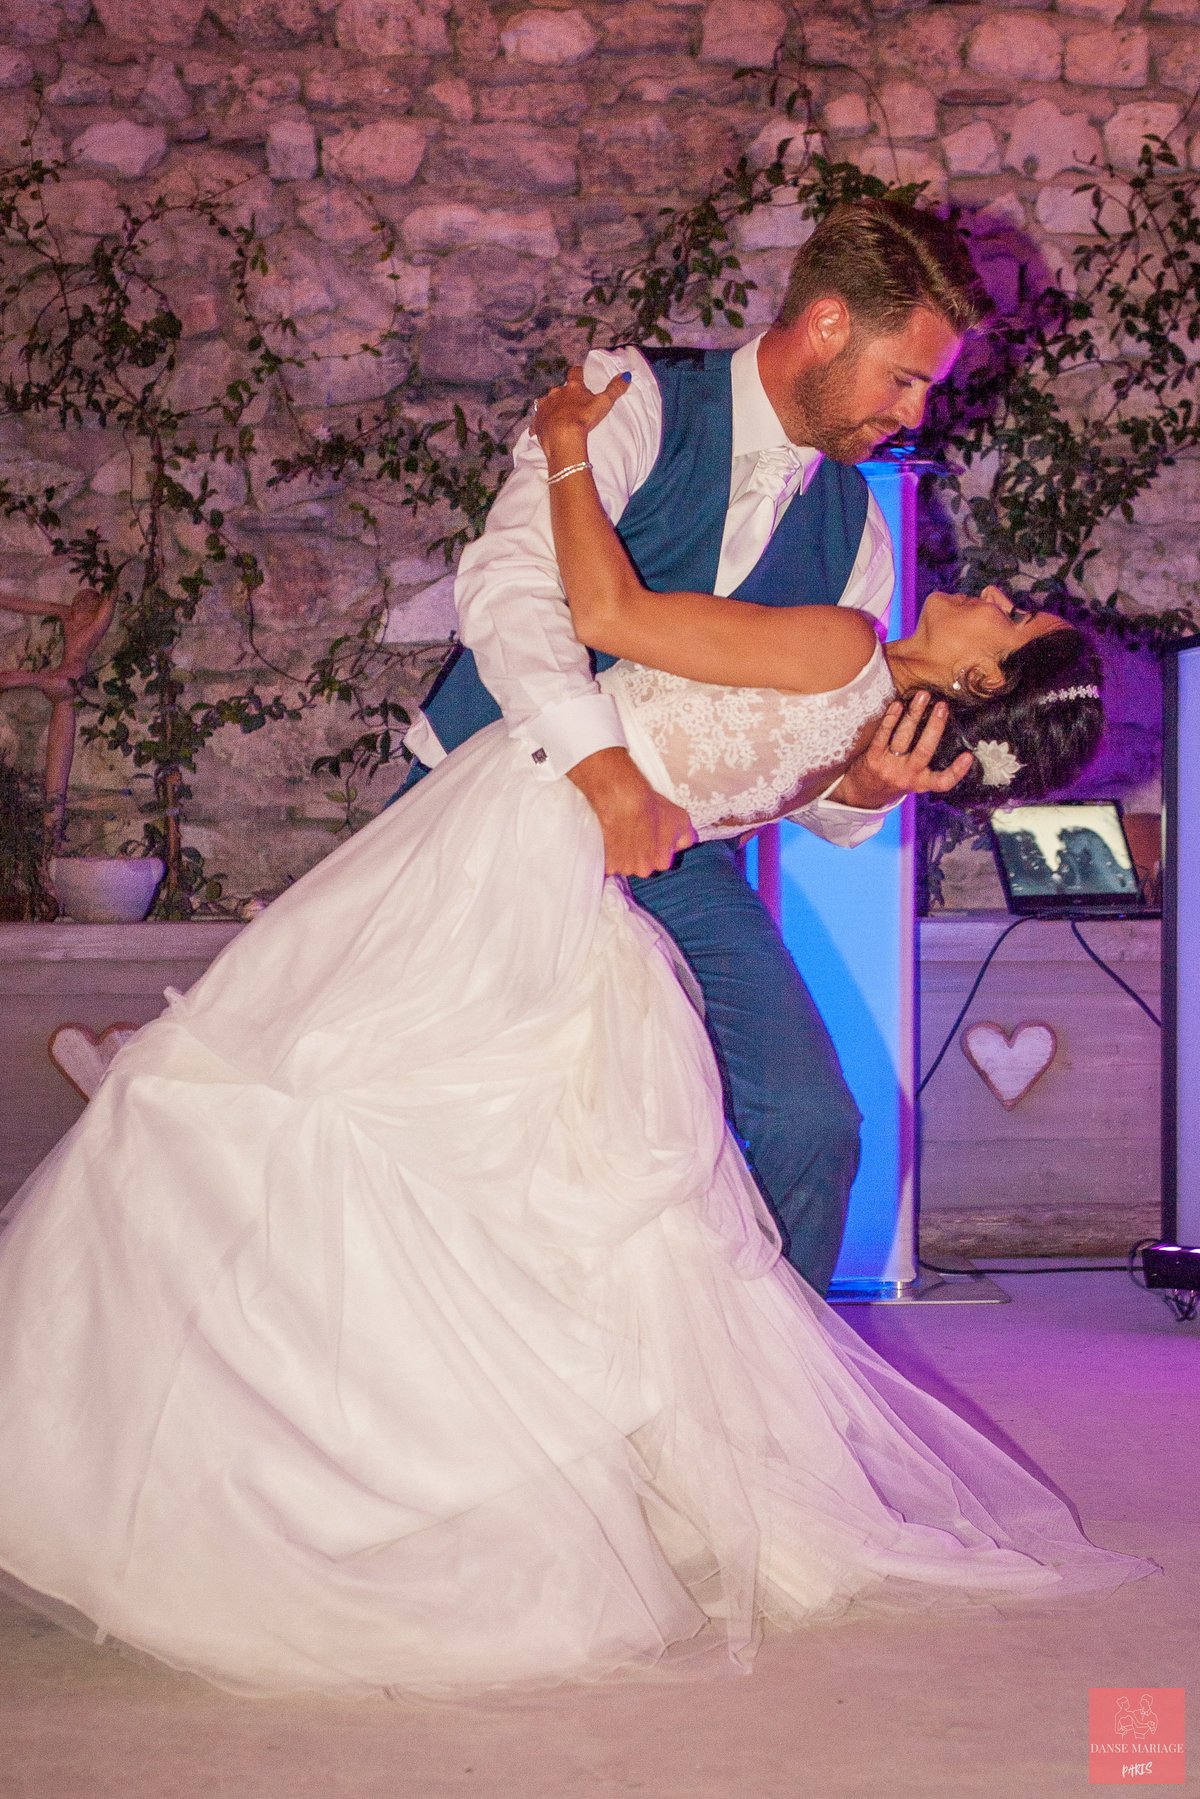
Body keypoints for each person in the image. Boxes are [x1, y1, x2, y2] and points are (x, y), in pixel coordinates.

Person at [0, 367, 1152, 1702]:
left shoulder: (845, 648)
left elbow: (606, 616)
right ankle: (404, 1465)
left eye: (1008, 618)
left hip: (526, 839)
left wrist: (558, 450)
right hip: (574, 861)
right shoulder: (852, 707)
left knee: (317, 1110)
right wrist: (857, 781)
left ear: (976, 677)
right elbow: (729, 783)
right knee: (455, 1157)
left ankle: (276, 1466)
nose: (993, 592)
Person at [402, 198, 990, 1298]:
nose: (910, 413)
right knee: (446, 1123)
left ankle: (760, 1434)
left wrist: (863, 789)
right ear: (824, 326)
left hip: (677, 854)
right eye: (902, 378)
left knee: (816, 1125)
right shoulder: (632, 398)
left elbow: (797, 768)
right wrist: (602, 768)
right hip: (487, 798)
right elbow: (512, 587)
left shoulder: (857, 535)